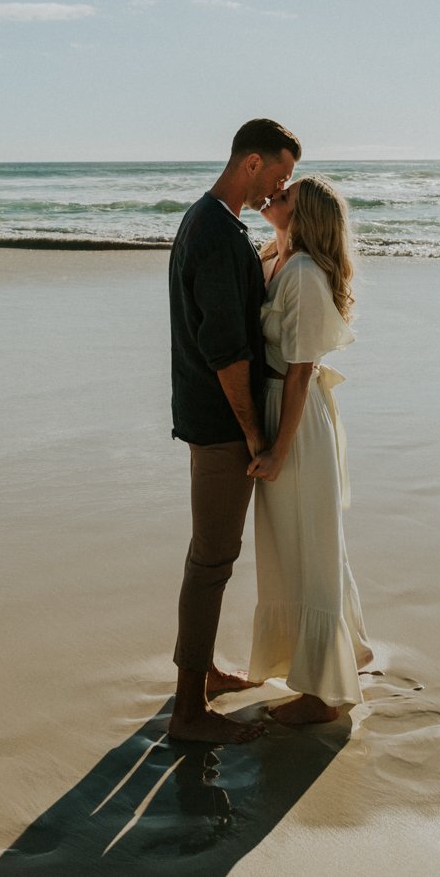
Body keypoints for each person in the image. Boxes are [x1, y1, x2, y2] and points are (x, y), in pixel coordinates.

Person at [167, 118, 302, 744]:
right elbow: (225, 350)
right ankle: (188, 712)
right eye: (277, 176)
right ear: (251, 163)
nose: (277, 188)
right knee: (212, 559)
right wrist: (254, 435)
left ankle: (205, 677)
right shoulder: (218, 235)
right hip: (220, 423)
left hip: (206, 415)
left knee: (210, 557)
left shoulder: (208, 222)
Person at [247, 175, 372, 724]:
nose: (274, 196)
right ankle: (339, 658)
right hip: (285, 408)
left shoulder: (299, 272)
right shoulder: (276, 256)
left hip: (293, 415)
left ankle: (324, 695)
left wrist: (277, 450)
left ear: (306, 215)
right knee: (303, 542)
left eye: (286, 195)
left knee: (307, 544)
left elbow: (299, 373)